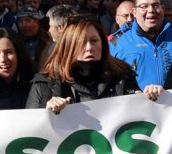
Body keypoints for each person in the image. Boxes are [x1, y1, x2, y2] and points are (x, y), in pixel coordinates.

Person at [27, 18, 155, 113]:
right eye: (81, 42)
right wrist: (46, 114)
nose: (89, 48)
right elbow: (31, 134)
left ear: (103, 44)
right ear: (68, 46)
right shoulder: (44, 84)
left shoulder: (122, 75)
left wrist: (150, 100)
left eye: (94, 41)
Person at [110, 0, 172, 90]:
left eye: (155, 5)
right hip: (137, 104)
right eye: (144, 6)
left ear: (162, 8)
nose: (151, 10)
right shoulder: (117, 44)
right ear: (134, 12)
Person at [16, 6, 52, 70]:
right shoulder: (15, 41)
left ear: (36, 21)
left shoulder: (48, 38)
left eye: (28, 20)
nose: (24, 25)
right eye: (20, 21)